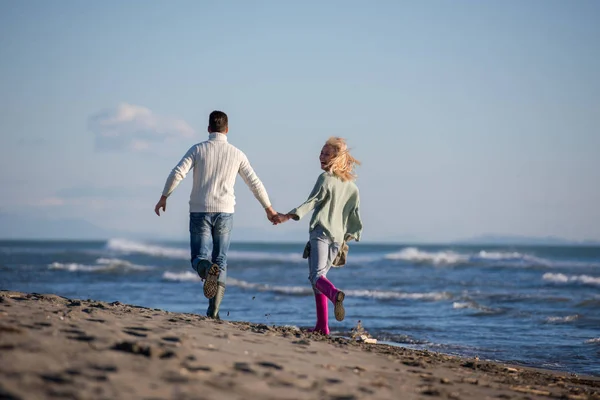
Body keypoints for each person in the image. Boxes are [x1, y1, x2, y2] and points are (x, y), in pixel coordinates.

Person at [154, 110, 277, 319]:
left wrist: (165, 196)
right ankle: (214, 311)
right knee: (221, 260)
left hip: (200, 211)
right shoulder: (237, 154)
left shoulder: (198, 149)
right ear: (227, 130)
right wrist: (269, 209)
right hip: (226, 211)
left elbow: (178, 172)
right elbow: (254, 183)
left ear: (209, 129)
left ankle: (206, 269)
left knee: (198, 258)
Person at [274, 137, 362, 335]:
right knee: (319, 279)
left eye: (326, 153)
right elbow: (354, 216)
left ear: (336, 158)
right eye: (321, 153)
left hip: (321, 233)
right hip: (337, 239)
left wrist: (287, 216)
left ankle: (335, 294)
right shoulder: (352, 188)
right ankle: (323, 326)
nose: (321, 156)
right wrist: (351, 236)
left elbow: (311, 202)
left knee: (316, 277)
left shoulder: (325, 179)